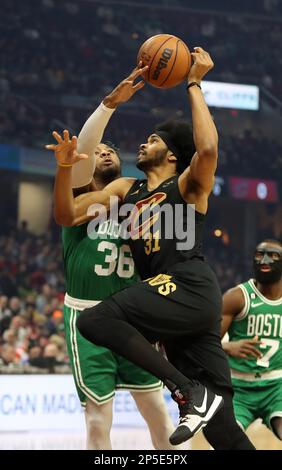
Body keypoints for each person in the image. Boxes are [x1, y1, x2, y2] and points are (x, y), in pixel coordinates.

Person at [47, 47, 255, 449]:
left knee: (94, 321)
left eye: (153, 139)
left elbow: (208, 150)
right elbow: (67, 215)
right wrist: (64, 167)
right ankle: (200, 398)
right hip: (174, 305)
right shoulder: (127, 190)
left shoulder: (187, 185)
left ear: (173, 155)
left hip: (187, 283)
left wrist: (193, 82)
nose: (142, 145)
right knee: (221, 426)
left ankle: (188, 392)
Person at [51, 77, 180, 450]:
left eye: (111, 150)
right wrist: (109, 104)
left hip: (132, 316)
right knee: (97, 417)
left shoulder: (138, 199)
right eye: (98, 151)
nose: (104, 152)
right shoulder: (79, 198)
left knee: (157, 408)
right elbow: (81, 154)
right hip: (89, 315)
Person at [221, 239, 282, 441]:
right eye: (259, 255)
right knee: (224, 442)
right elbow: (205, 343)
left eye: (273, 256)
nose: (264, 260)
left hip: (276, 386)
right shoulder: (236, 297)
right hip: (237, 388)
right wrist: (228, 346)